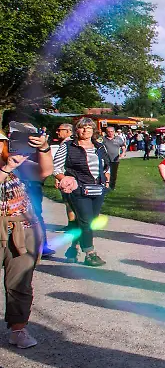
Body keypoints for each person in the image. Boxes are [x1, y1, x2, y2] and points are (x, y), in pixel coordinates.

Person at [2, 129, 52, 349]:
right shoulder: (9, 166)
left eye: (2, 141)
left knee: (20, 283)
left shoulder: (19, 165)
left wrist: (43, 148)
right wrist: (6, 168)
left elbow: (45, 171)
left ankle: (18, 330)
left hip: (21, 229)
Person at [52, 118, 110, 266]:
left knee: (84, 221)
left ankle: (73, 249)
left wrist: (106, 180)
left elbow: (106, 165)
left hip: (97, 189)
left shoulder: (99, 147)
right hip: (78, 189)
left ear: (93, 130)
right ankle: (90, 253)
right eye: (82, 127)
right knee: (86, 221)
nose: (86, 130)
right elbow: (56, 168)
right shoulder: (68, 146)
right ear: (76, 130)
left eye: (89, 128)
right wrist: (65, 179)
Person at [52, 123, 77, 235]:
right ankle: (72, 224)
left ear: (68, 131)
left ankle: (73, 225)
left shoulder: (68, 144)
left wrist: (59, 178)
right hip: (64, 176)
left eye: (59, 130)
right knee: (68, 202)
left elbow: (61, 164)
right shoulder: (66, 143)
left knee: (69, 202)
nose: (57, 132)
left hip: (67, 178)